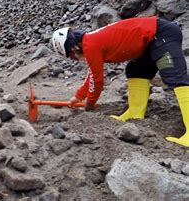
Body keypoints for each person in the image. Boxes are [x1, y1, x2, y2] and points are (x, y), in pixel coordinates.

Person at [52, 17, 189, 147]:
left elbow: (98, 80)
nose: (75, 59)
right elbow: (92, 74)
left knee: (175, 76)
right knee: (136, 70)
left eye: (71, 57)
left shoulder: (90, 45)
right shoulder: (90, 41)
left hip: (161, 34)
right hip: (149, 42)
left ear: (73, 48)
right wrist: (79, 96)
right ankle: (135, 113)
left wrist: (90, 103)